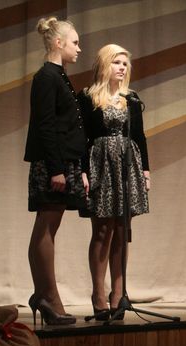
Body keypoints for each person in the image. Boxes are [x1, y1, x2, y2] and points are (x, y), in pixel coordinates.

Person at [78, 44, 150, 322]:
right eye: (116, 62)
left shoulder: (131, 98)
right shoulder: (87, 97)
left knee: (122, 229)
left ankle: (118, 294)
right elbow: (81, 138)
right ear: (104, 65)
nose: (122, 67)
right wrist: (84, 171)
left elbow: (140, 136)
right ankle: (98, 293)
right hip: (100, 163)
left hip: (128, 165)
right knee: (102, 230)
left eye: (124, 63)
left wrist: (145, 171)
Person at [24, 17, 85, 326]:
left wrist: (77, 168)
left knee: (49, 227)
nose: (79, 48)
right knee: (45, 227)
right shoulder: (47, 76)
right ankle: (49, 297)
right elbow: (45, 126)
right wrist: (56, 170)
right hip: (52, 165)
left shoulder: (58, 75)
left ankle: (44, 296)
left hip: (61, 163)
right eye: (75, 42)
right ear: (59, 43)